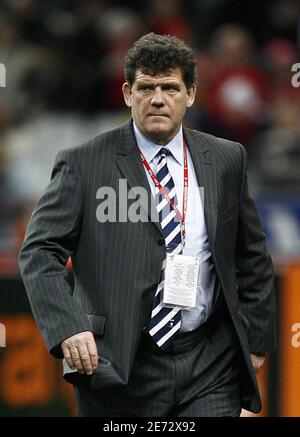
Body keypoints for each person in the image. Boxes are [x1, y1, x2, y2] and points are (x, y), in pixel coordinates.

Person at [18, 33, 276, 417]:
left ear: (190, 94)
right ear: (127, 93)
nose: (157, 99)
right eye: (146, 87)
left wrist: (256, 340)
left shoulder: (226, 159)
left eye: (170, 87)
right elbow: (40, 252)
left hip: (210, 361)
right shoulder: (83, 163)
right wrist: (67, 326)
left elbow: (251, 254)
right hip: (120, 363)